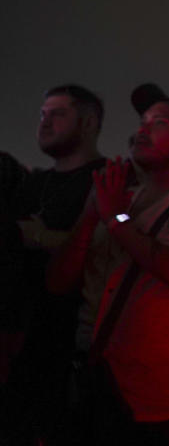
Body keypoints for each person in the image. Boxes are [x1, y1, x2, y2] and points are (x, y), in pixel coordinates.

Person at [47, 83, 169, 445]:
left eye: (159, 123)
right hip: (98, 381)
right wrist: (90, 215)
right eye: (142, 122)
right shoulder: (116, 195)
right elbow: (57, 282)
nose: (142, 129)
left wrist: (114, 219)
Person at [0, 85, 106, 445]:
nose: (45, 123)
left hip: (71, 350)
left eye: (58, 113)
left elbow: (109, 250)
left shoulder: (108, 179)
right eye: (43, 114)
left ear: (89, 122)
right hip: (21, 343)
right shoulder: (34, 183)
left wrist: (44, 238)